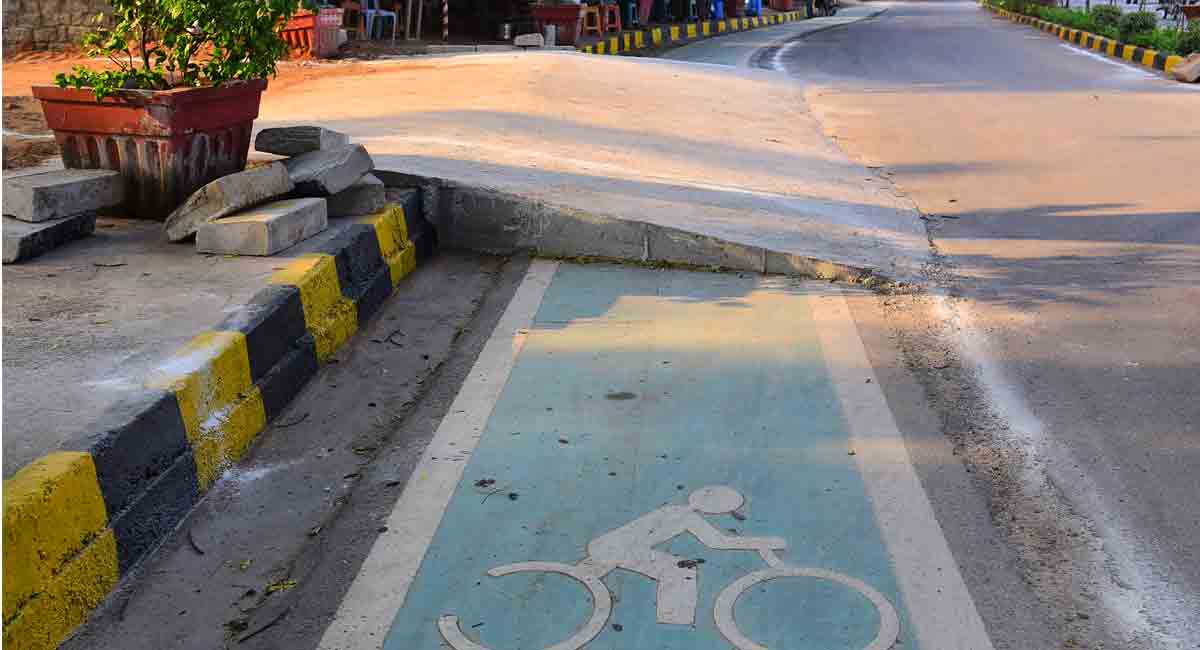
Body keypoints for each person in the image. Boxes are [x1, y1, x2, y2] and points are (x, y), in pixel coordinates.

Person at [585, 486, 786, 625]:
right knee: (680, 569)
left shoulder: (674, 509)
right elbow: (718, 542)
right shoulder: (686, 516)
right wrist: (763, 542)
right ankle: (673, 620)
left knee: (582, 576)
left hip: (608, 545)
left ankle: (576, 574)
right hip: (618, 549)